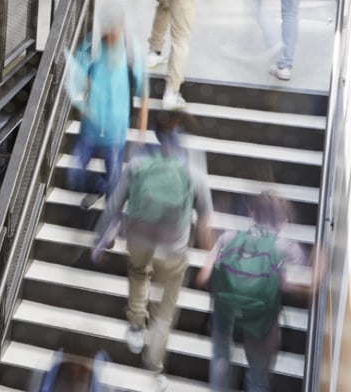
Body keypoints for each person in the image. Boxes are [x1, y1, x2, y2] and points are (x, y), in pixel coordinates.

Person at [93, 111, 214, 391]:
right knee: (165, 310)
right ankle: (154, 365)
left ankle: (136, 325)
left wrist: (101, 237)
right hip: (173, 246)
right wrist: (211, 253)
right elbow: (206, 214)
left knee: (137, 273)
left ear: (157, 137)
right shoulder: (192, 168)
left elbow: (114, 203)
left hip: (138, 237)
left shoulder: (138, 161)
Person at [197, 191, 308, 392]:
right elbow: (295, 290)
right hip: (261, 324)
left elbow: (203, 278)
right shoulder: (289, 249)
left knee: (220, 366)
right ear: (283, 221)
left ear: (252, 214)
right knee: (258, 379)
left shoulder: (228, 238)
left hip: (226, 317)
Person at [65, 7, 149, 210]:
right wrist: (82, 98)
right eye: (107, 31)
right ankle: (98, 186)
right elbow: (76, 79)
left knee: (114, 183)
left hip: (116, 131)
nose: (110, 36)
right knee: (74, 175)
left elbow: (143, 92)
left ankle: (109, 228)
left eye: (115, 31)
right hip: (90, 129)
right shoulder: (91, 47)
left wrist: (142, 129)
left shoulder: (131, 50)